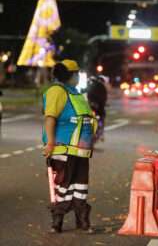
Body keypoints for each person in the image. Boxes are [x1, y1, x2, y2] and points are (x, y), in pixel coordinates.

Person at [42, 59, 96, 234]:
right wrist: (50, 143)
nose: (78, 77)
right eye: (77, 74)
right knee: (63, 185)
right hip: (62, 148)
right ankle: (57, 222)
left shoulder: (75, 92)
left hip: (79, 150)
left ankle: (82, 220)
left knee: (80, 186)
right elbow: (50, 118)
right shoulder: (57, 91)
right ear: (71, 75)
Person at [87, 75, 108, 142]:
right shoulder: (102, 88)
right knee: (102, 116)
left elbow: (88, 95)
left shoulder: (92, 85)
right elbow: (104, 98)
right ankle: (101, 133)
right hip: (98, 107)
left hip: (92, 106)